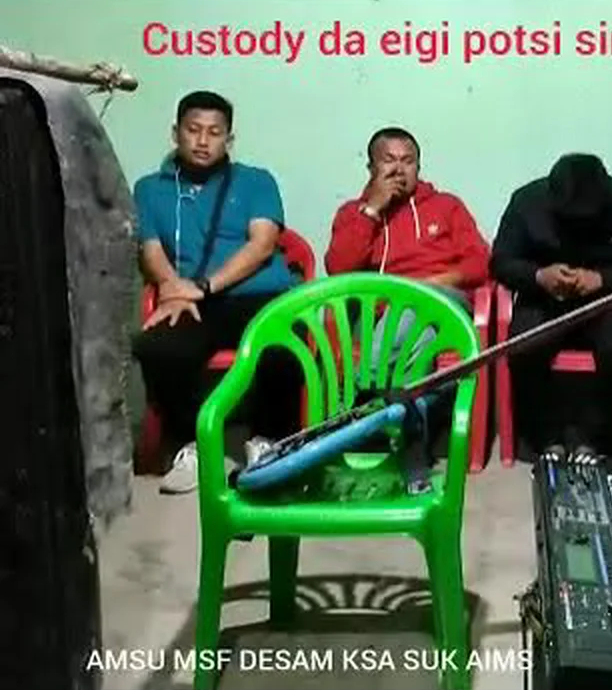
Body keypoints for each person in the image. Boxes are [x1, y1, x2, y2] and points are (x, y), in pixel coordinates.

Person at [131, 90, 302, 494]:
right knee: (159, 348)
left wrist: (203, 287)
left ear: (229, 138)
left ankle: (268, 443)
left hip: (255, 295)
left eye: (214, 132)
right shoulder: (150, 189)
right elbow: (150, 249)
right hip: (192, 302)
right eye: (193, 130)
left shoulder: (256, 181)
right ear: (176, 133)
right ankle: (189, 445)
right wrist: (172, 288)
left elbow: (262, 245)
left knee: (282, 345)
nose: (203, 141)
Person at [490, 152, 612, 458]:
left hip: (609, 303)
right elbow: (501, 262)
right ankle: (545, 438)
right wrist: (539, 276)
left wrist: (602, 279)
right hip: (545, 299)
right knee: (524, 342)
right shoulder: (526, 202)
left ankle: (600, 440)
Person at [325, 126, 490, 365]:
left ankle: (366, 381)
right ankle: (404, 393)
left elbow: (480, 263)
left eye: (407, 161)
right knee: (425, 338)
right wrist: (372, 211)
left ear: (418, 168)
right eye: (389, 160)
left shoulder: (447, 206)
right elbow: (339, 270)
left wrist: (433, 284)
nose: (398, 169)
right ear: (371, 168)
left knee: (411, 303)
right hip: (379, 314)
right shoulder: (352, 213)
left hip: (443, 300)